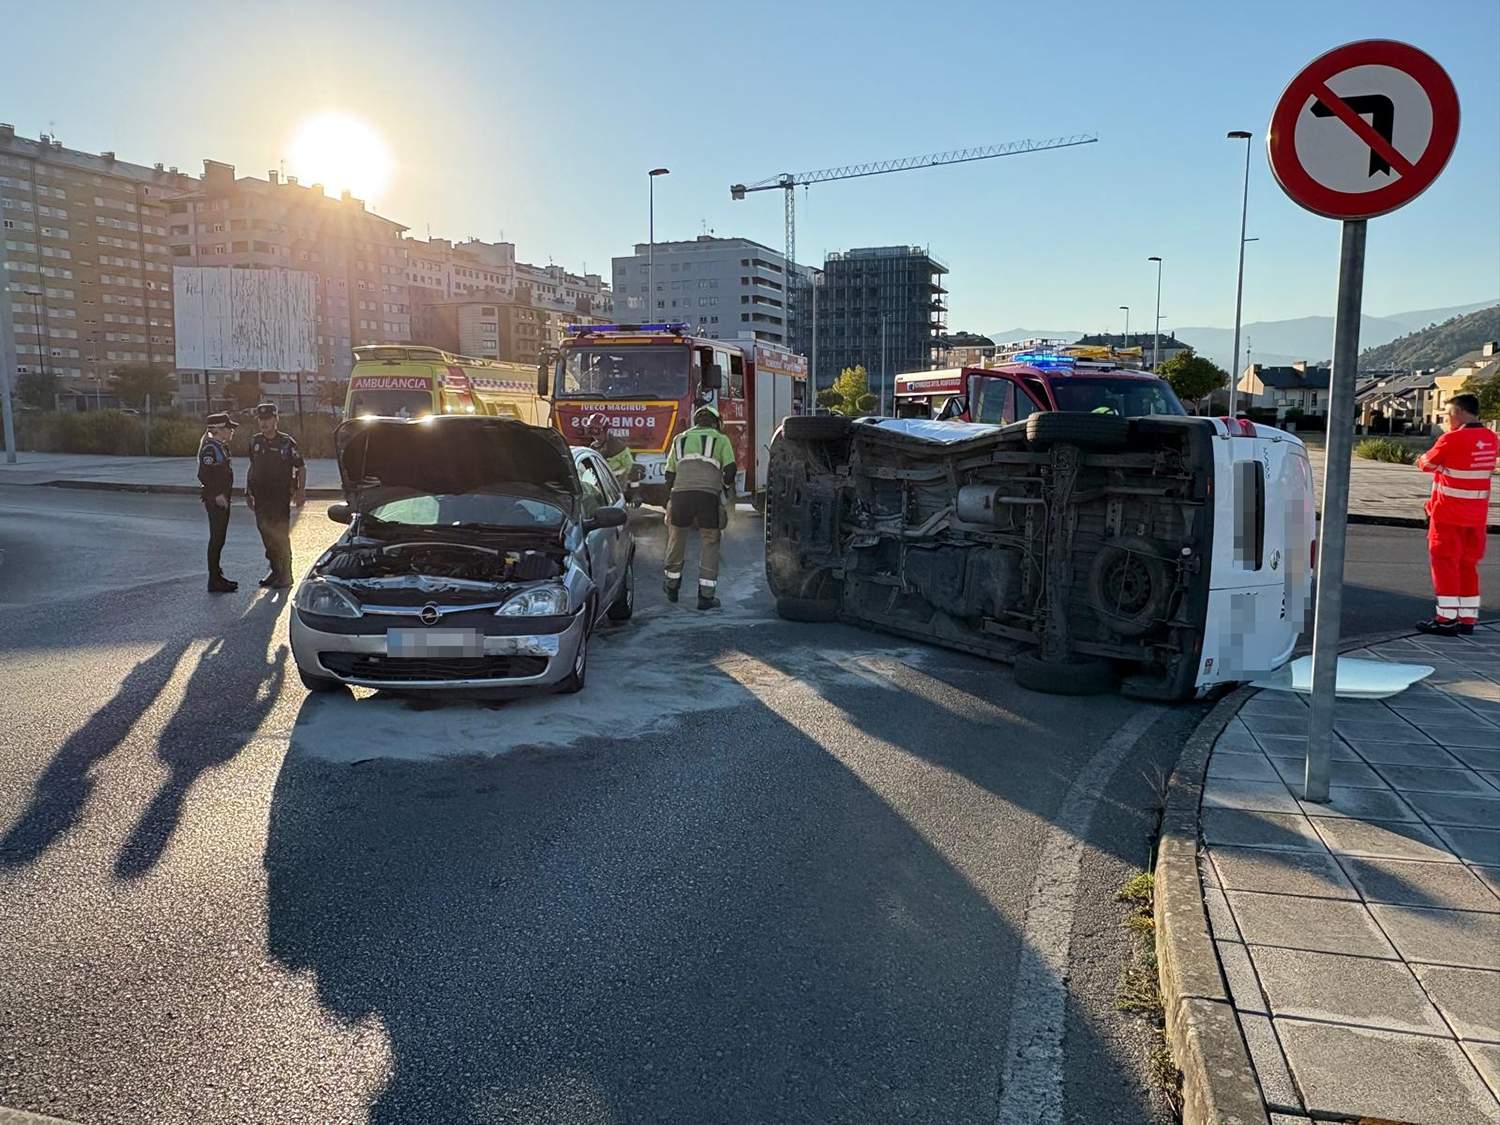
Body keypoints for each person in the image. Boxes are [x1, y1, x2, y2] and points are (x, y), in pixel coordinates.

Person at [1416, 392, 1496, 636]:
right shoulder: (1491, 438)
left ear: (1460, 413)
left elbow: (1425, 464)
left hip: (1448, 514)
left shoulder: (1451, 440)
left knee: (1444, 564)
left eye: (1449, 414)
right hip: (1477, 516)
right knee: (1467, 565)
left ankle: (1446, 619)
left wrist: (1430, 461)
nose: (1448, 420)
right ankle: (1467, 619)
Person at [663, 403, 737, 610]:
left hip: (680, 495)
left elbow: (669, 474)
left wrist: (669, 499)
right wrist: (725, 487)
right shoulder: (721, 439)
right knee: (710, 541)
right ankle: (705, 597)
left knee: (676, 538)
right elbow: (730, 469)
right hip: (707, 496)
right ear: (715, 422)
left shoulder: (679, 439)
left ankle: (671, 587)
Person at [245, 402, 306, 589]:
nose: (264, 423)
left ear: (276, 420)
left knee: (279, 536)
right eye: (261, 420)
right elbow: (252, 467)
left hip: (279, 497)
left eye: (268, 419)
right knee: (266, 535)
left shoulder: (286, 442)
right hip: (261, 497)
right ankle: (275, 570)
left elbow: (301, 467)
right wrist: (248, 490)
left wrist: (300, 491)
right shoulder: (255, 442)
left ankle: (286, 575)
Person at [198, 412, 240, 593]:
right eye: (229, 428)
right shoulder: (210, 448)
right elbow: (204, 474)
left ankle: (217, 576)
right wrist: (216, 495)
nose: (232, 431)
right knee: (216, 539)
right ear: (218, 430)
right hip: (216, 500)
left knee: (219, 538)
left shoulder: (219, 446)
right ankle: (214, 579)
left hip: (222, 498)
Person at [581, 412, 636, 491]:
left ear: (604, 429)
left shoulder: (618, 447)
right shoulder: (593, 447)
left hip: (616, 488)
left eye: (596, 429)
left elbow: (629, 467)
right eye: (591, 429)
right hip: (600, 487)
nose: (593, 433)